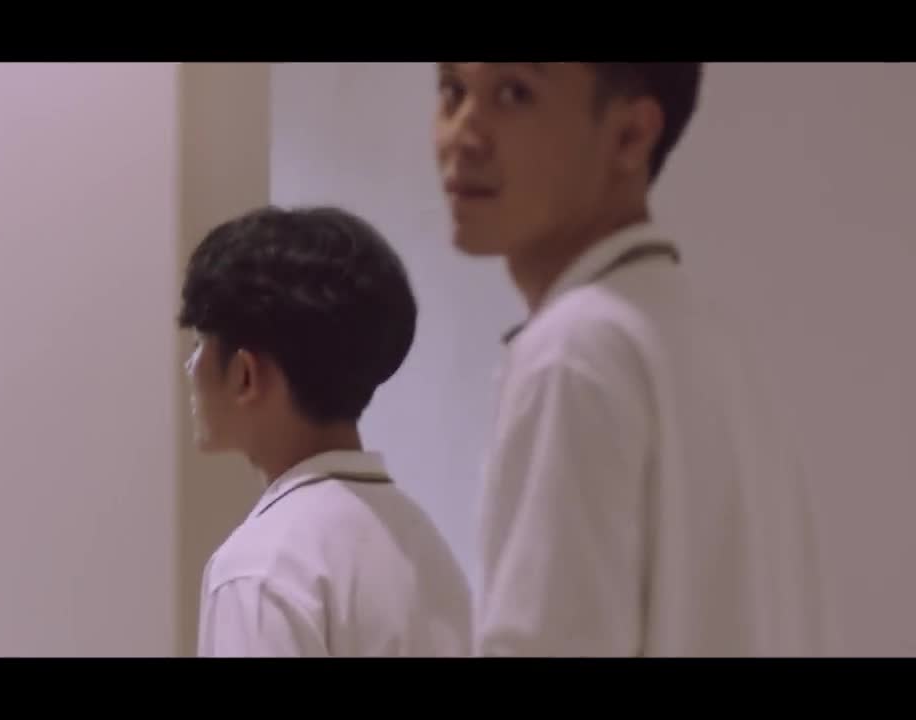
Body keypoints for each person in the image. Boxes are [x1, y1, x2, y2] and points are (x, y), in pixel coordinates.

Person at [433, 62, 821, 656]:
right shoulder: (724, 349)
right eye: (453, 91)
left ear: (630, 135)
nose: (464, 132)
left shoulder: (573, 355)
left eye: (514, 93)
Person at [180, 205, 472, 656]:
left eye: (200, 343)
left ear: (244, 375)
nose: (190, 365)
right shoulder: (425, 546)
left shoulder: (259, 569)